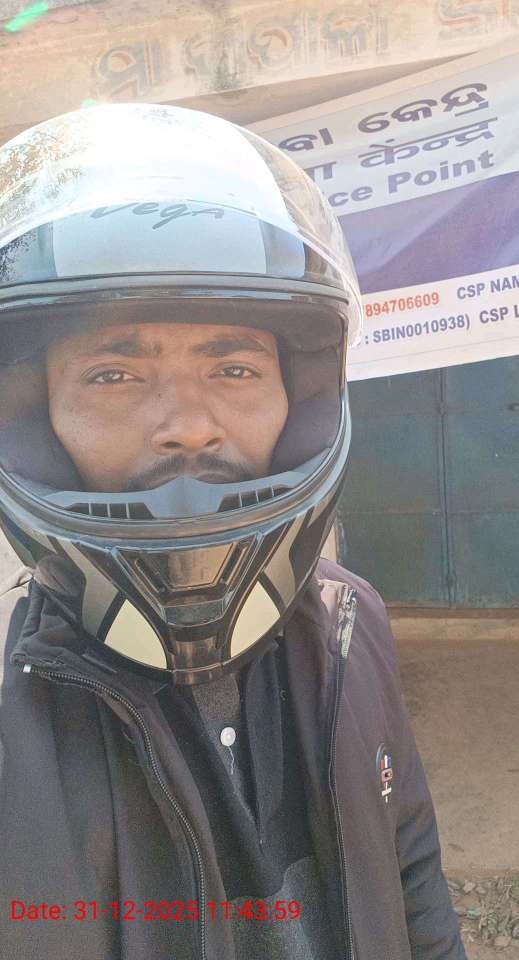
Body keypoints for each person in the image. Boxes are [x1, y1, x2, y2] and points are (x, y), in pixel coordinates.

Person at [0, 104, 467, 960]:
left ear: (301, 399)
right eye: (113, 374)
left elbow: (411, 876)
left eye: (235, 367)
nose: (187, 425)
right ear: (36, 421)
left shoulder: (353, 623)